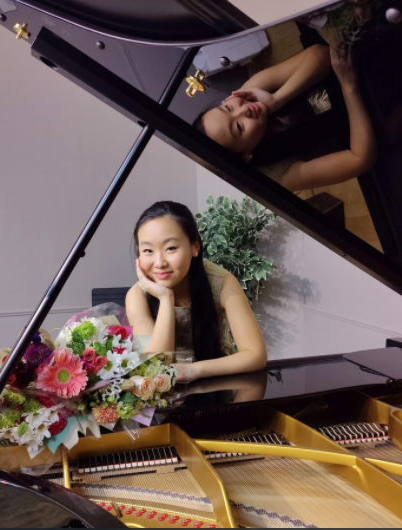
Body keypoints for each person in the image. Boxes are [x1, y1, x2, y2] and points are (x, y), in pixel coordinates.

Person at [194, 44, 377, 192]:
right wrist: (348, 85)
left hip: (356, 67)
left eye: (226, 108)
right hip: (370, 120)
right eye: (239, 127)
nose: (243, 111)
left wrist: (277, 99)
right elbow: (360, 159)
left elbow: (321, 54)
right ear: (246, 156)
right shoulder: (276, 174)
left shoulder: (246, 95)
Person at [125, 201, 267, 383]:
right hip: (164, 403)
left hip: (219, 391)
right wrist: (166, 298)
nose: (159, 262)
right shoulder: (137, 296)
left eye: (171, 248)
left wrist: (192, 370)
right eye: (148, 251)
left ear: (195, 247)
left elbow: (256, 355)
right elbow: (157, 368)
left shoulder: (222, 282)